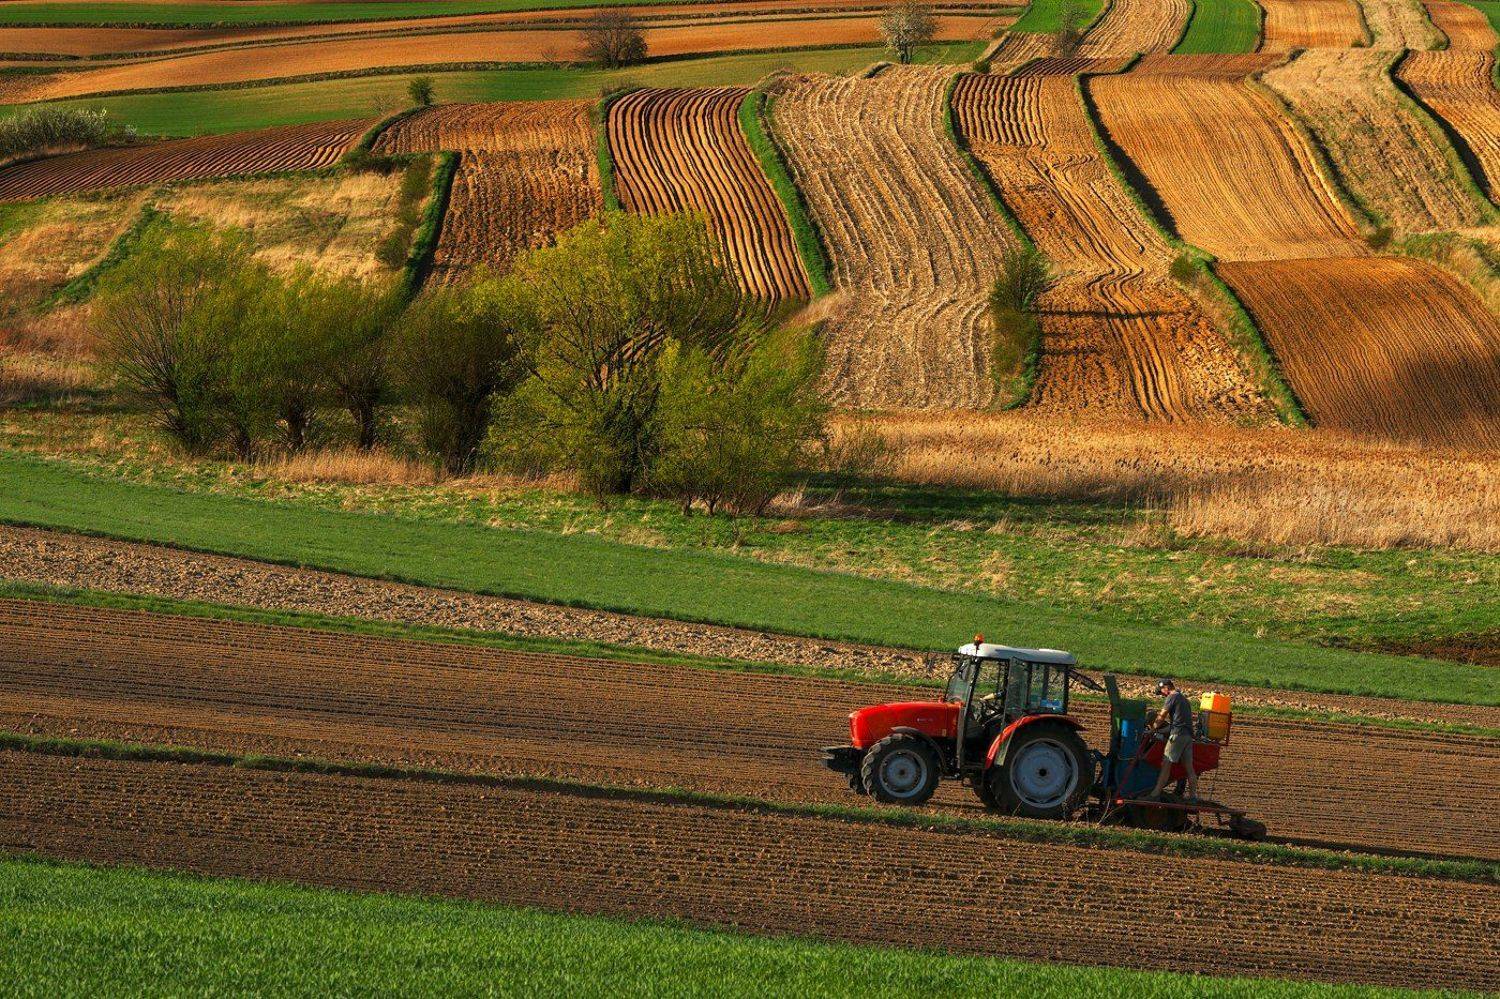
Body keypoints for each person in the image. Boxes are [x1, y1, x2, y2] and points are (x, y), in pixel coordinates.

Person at [1146, 678, 1198, 800]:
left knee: (1166, 763)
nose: (1162, 695)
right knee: (1189, 769)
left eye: (1161, 692)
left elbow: (1162, 715)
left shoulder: (1172, 697)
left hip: (1177, 735)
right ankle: (1192, 797)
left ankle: (1154, 794)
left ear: (1166, 687)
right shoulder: (1184, 699)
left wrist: (1152, 729)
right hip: (1188, 736)